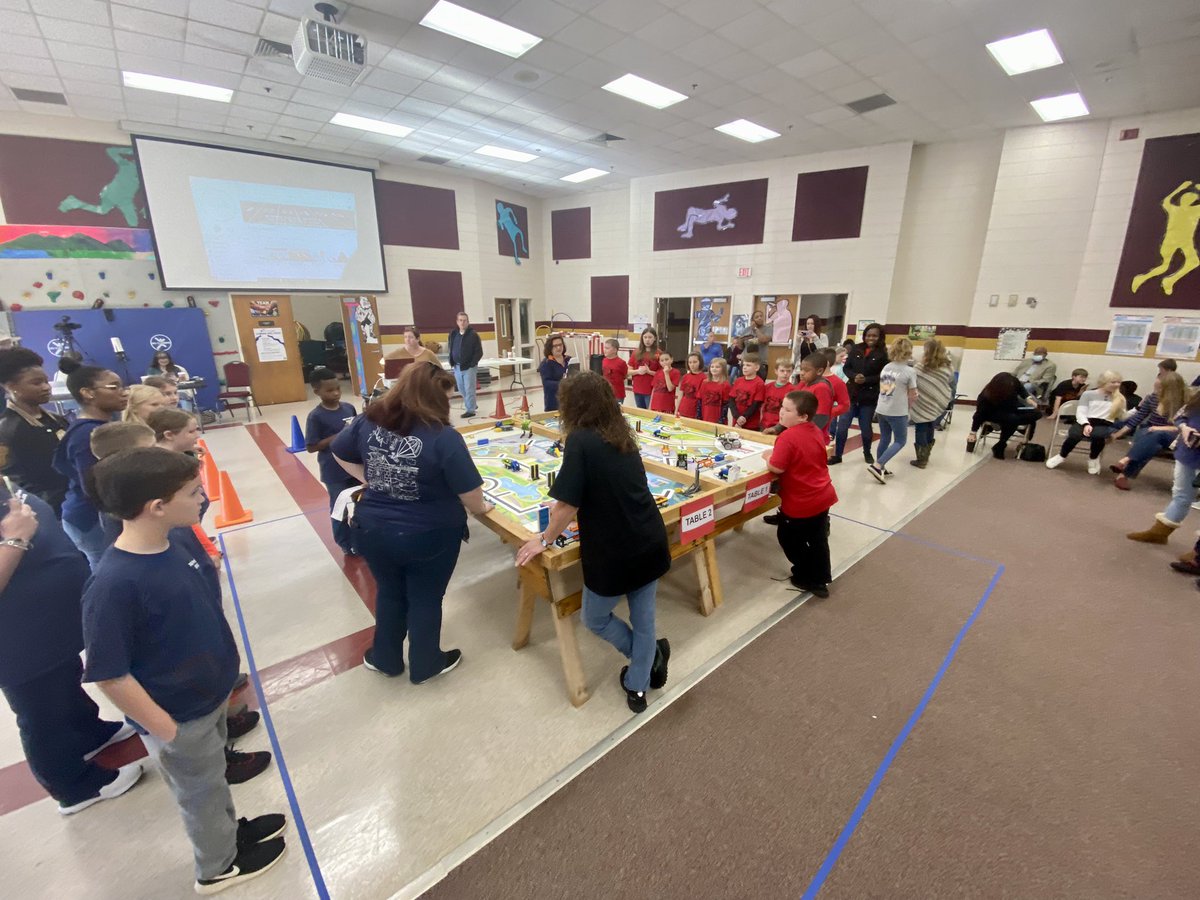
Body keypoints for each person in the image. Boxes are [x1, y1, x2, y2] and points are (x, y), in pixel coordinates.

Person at [83, 448, 288, 893]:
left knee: (213, 778)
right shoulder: (114, 584)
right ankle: (217, 866)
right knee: (201, 792)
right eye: (195, 492)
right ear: (157, 507)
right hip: (178, 714)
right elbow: (109, 673)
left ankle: (230, 834)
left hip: (208, 696)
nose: (204, 497)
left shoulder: (175, 539)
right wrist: (167, 730)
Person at [515, 372, 671, 713]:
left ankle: (643, 662)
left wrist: (544, 538)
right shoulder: (621, 434)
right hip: (649, 539)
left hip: (616, 552)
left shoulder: (581, 441)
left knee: (594, 617)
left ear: (574, 405)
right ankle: (639, 682)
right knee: (645, 622)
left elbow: (567, 505)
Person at [332, 362, 492, 682]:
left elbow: (338, 450)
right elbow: (471, 494)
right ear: (432, 398)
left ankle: (385, 658)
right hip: (429, 534)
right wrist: (483, 508)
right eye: (445, 397)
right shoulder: (444, 437)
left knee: (390, 592)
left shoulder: (369, 420)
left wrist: (373, 479)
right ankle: (426, 663)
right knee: (425, 597)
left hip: (373, 529)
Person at [0, 482, 144, 816]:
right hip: (18, 639)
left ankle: (87, 732)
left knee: (64, 679)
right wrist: (15, 539)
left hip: (49, 622)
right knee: (40, 710)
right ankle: (73, 786)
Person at [52, 360, 128, 568]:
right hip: (90, 519)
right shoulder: (87, 434)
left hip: (99, 513)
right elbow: (93, 487)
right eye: (114, 387)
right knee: (106, 567)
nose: (123, 392)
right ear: (88, 393)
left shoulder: (102, 427)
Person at [763, 391, 837, 598]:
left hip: (801, 501)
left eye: (787, 410)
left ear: (803, 416)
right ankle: (821, 579)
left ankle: (805, 575)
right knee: (818, 540)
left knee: (789, 538)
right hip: (823, 495)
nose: (781, 413)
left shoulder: (787, 437)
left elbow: (777, 468)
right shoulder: (814, 430)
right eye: (781, 407)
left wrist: (768, 457)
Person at [0, 348, 69, 517]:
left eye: (46, 381)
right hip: (45, 512)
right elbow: (15, 482)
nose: (46, 387)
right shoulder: (8, 431)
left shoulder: (57, 420)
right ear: (11, 387)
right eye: (37, 383)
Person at [1127, 390, 1200, 544]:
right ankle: (1159, 533)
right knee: (1181, 494)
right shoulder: (1197, 397)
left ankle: (1197, 554)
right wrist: (1184, 427)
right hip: (1188, 452)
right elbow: (1180, 416)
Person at [305, 367, 359, 556]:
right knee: (340, 507)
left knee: (362, 503)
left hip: (354, 467)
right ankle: (345, 543)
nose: (336, 393)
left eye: (337, 388)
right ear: (317, 392)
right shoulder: (316, 416)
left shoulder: (348, 408)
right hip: (334, 471)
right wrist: (339, 435)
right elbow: (311, 446)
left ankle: (362, 540)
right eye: (329, 390)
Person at [1108, 371, 1187, 490]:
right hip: (1150, 429)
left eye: (1160, 389)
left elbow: (1183, 425)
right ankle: (1123, 473)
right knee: (1150, 441)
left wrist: (1159, 428)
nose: (1157, 391)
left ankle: (1125, 464)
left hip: (1173, 432)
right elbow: (1137, 418)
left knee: (1155, 435)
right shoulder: (1152, 398)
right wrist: (1117, 435)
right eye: (1156, 387)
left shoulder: (1184, 401)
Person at [1045, 370, 1126, 474]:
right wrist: (1085, 424)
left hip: (1104, 423)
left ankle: (1093, 458)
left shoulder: (1119, 398)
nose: (1117, 385)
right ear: (1104, 382)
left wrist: (1138, 409)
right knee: (1074, 434)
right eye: (1113, 382)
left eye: (1118, 382)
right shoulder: (1088, 394)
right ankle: (1062, 455)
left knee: (1098, 435)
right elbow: (1081, 412)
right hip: (1085, 420)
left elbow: (1123, 416)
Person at [834, 323, 888, 465]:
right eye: (868, 335)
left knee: (865, 427)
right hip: (851, 393)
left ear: (880, 337)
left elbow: (883, 375)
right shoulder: (856, 349)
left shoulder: (883, 354)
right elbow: (847, 368)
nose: (871, 338)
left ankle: (867, 452)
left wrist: (867, 379)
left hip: (868, 396)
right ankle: (837, 454)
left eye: (874, 335)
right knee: (843, 425)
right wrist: (854, 376)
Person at [867, 338, 918, 483]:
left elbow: (887, 389)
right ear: (909, 352)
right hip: (897, 411)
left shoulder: (887, 367)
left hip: (882, 408)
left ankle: (881, 467)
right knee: (900, 441)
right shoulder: (910, 371)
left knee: (885, 438)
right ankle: (877, 465)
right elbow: (913, 394)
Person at [967, 372, 1041, 459]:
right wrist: (973, 432)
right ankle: (1001, 443)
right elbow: (979, 415)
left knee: (1036, 413)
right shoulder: (985, 397)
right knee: (1012, 419)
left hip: (1012, 407)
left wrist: (1029, 399)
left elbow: (1021, 389)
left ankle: (1002, 435)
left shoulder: (1013, 382)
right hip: (994, 412)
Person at [909, 339, 955, 469]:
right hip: (936, 401)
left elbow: (913, 381)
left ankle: (921, 459)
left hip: (922, 401)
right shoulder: (948, 367)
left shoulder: (920, 367)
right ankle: (926, 455)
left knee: (921, 427)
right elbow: (950, 381)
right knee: (930, 425)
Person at [448, 311, 482, 419]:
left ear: (468, 322)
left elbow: (479, 352)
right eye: (460, 320)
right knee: (462, 389)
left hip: (469, 367)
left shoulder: (473, 335)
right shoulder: (453, 334)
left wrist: (472, 364)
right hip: (457, 366)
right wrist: (452, 361)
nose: (462, 323)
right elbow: (451, 348)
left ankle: (470, 410)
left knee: (469, 389)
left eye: (465, 320)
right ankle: (472, 404)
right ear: (457, 322)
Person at [795, 353, 834, 439]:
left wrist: (805, 434)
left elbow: (821, 417)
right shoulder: (805, 385)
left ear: (819, 371)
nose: (801, 373)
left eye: (806, 370)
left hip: (813, 436)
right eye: (801, 369)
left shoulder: (821, 388)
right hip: (801, 432)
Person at [728, 353, 765, 429]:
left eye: (748, 365)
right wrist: (737, 416)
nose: (744, 368)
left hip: (750, 423)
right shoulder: (738, 381)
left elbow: (755, 405)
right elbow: (731, 400)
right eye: (743, 365)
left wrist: (743, 418)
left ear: (757, 367)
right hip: (736, 421)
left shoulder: (759, 383)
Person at [627, 328, 661, 410]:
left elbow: (661, 374)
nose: (647, 340)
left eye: (650, 337)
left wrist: (649, 372)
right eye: (645, 337)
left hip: (651, 390)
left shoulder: (659, 353)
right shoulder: (636, 352)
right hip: (637, 388)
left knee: (650, 413)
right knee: (640, 412)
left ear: (655, 338)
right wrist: (637, 371)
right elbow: (628, 371)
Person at [538, 333, 571, 412]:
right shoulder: (546, 363)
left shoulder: (569, 360)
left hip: (569, 401)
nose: (559, 348)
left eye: (560, 345)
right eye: (555, 346)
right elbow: (547, 383)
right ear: (550, 348)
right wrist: (563, 383)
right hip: (553, 402)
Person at [760, 359, 794, 435]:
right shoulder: (767, 387)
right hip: (764, 424)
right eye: (782, 371)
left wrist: (778, 427)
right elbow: (761, 406)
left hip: (780, 427)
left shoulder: (793, 390)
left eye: (788, 371)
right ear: (776, 371)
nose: (785, 373)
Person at [699, 357, 731, 424]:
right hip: (705, 416)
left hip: (717, 418)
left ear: (723, 369)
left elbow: (726, 404)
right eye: (712, 367)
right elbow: (700, 400)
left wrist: (721, 419)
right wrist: (699, 416)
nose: (714, 369)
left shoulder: (725, 385)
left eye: (717, 367)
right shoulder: (705, 382)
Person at [600, 339, 628, 404]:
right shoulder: (603, 360)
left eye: (607, 348)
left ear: (615, 350)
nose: (604, 350)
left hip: (618, 394)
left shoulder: (621, 363)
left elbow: (625, 375)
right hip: (606, 393)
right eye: (604, 347)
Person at [679, 352, 706, 419]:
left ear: (700, 362)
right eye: (690, 362)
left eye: (695, 362)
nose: (692, 365)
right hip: (683, 407)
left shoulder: (704, 378)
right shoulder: (685, 377)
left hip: (695, 410)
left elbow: (702, 399)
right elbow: (681, 394)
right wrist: (677, 409)